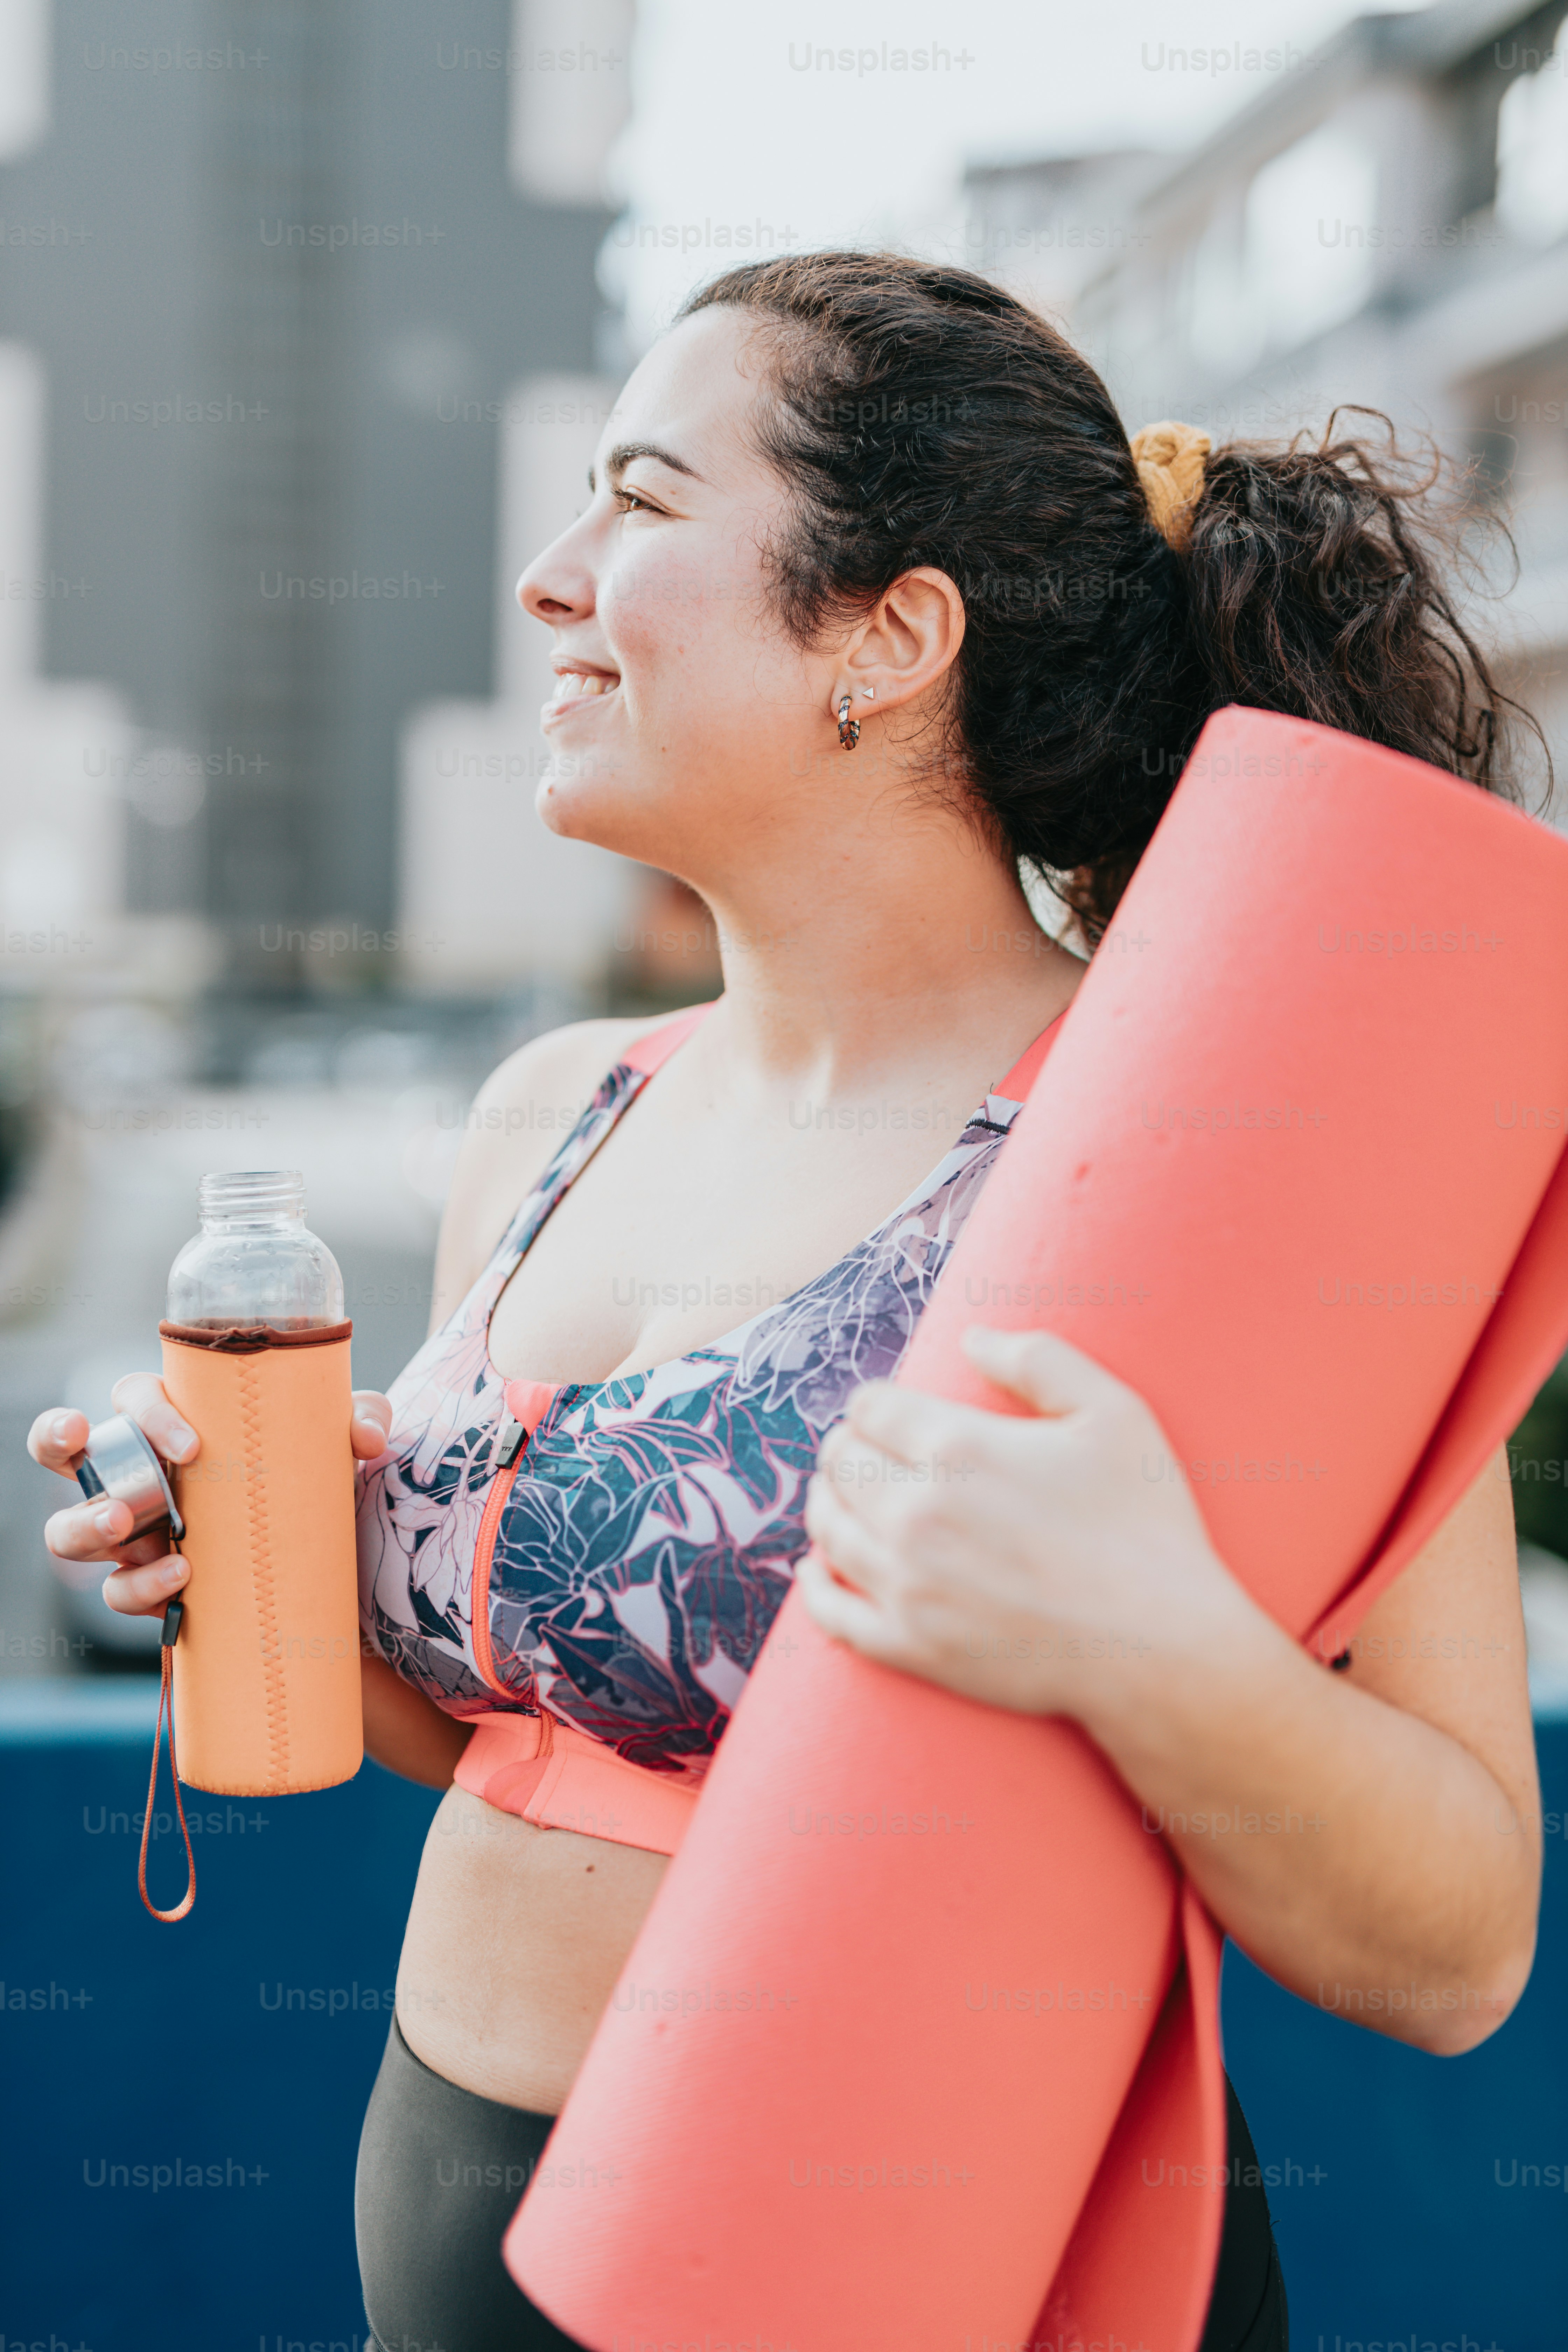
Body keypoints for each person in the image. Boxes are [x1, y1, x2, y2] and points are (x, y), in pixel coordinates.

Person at [31, 254, 1543, 2352]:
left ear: (892, 637)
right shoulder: (552, 1112)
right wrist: (241, 1569)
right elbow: (528, 1742)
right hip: (462, 2229)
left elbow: (1458, 1946)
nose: (558, 578)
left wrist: (1153, 1639)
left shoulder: (1208, 1159)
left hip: (924, 2256)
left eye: (642, 504)